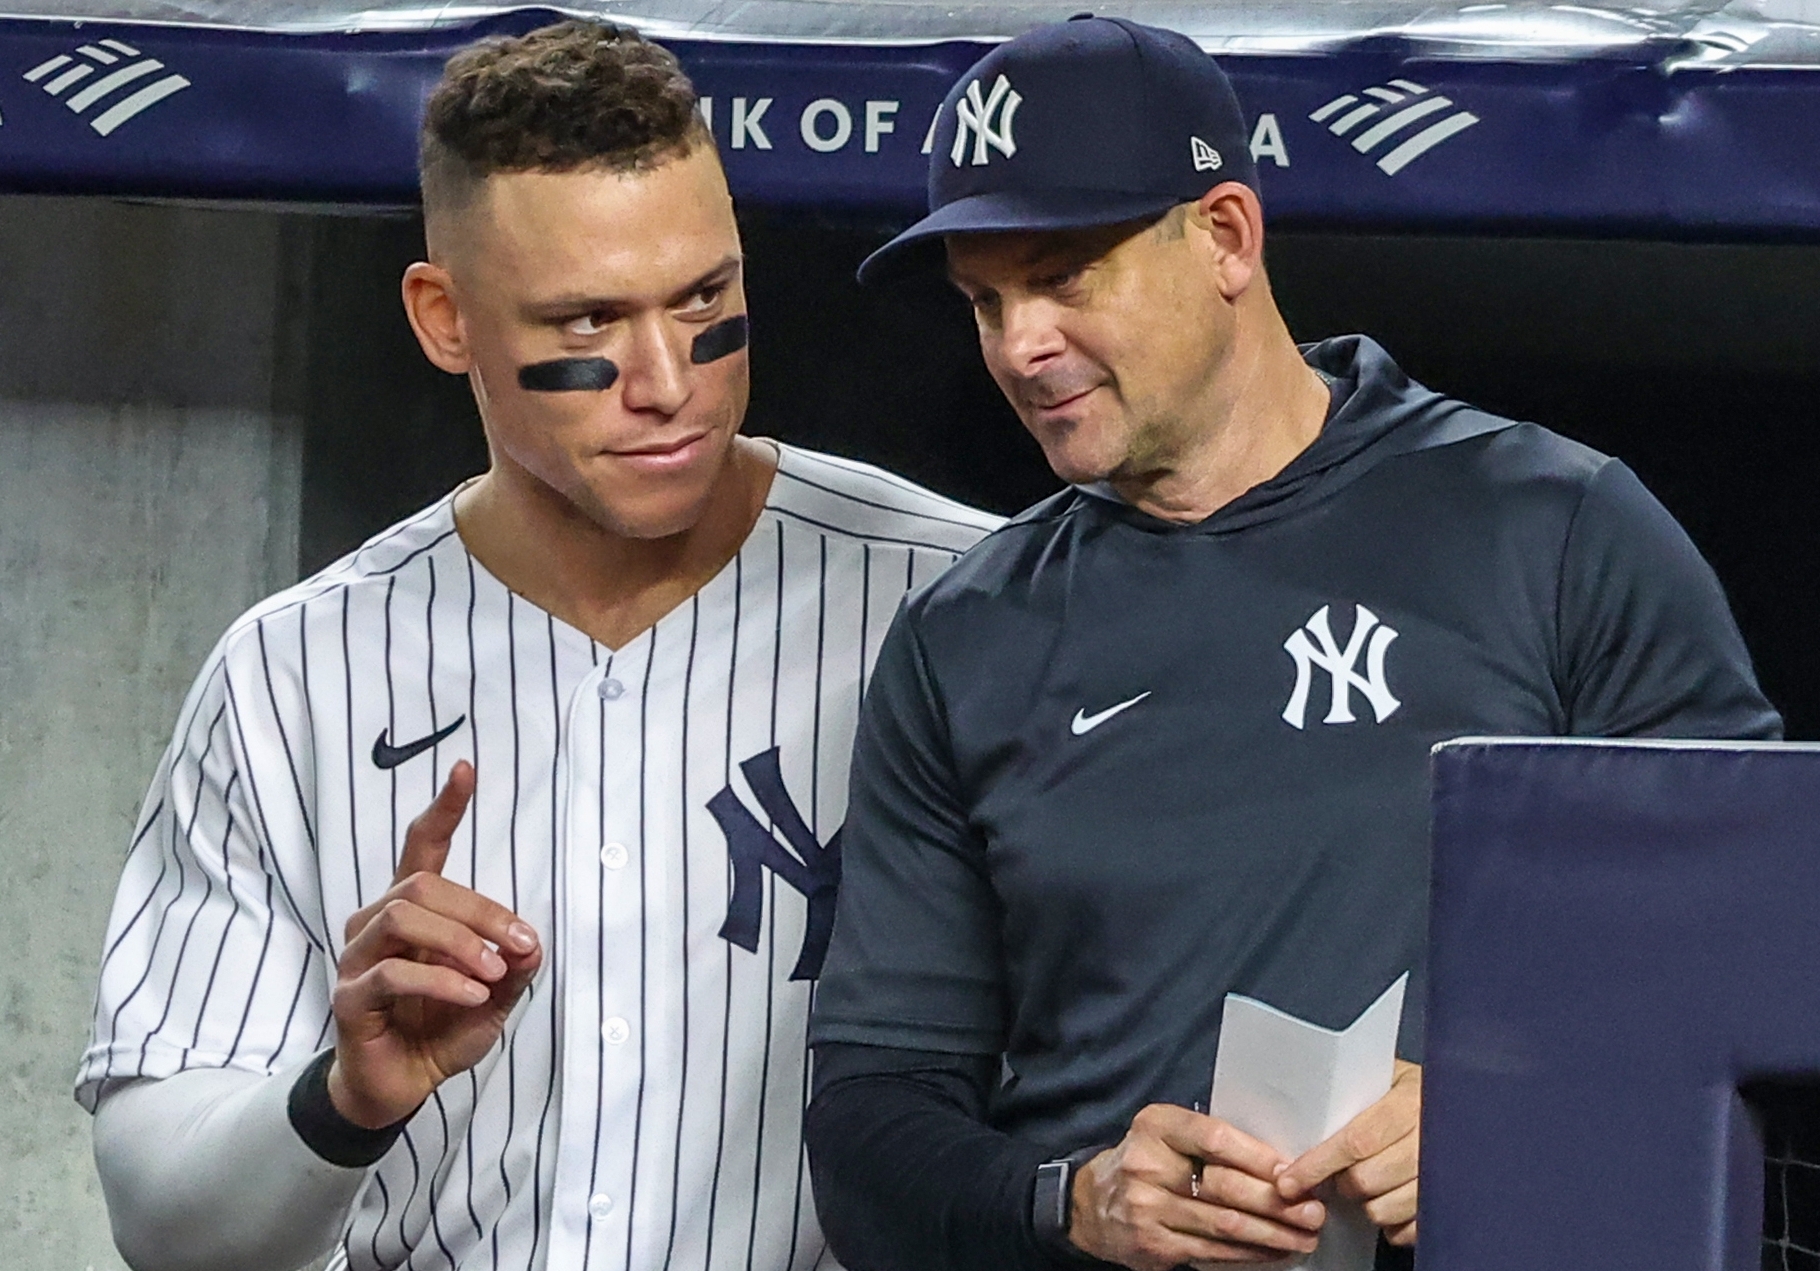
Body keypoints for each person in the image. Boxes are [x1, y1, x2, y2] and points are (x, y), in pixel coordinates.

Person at [804, 16, 1781, 1271]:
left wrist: (1522, 1102)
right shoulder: (964, 634)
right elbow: (872, 1124)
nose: (1018, 344)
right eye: (984, 301)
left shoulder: (1549, 527)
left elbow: (1758, 944)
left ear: (1222, 236)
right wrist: (1076, 1198)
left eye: (1062, 277)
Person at [75, 20, 997, 1271]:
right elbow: (166, 1225)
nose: (669, 379)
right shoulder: (292, 674)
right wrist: (342, 1100)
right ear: (444, 318)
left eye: (703, 299)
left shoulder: (963, 601)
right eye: (588, 322)